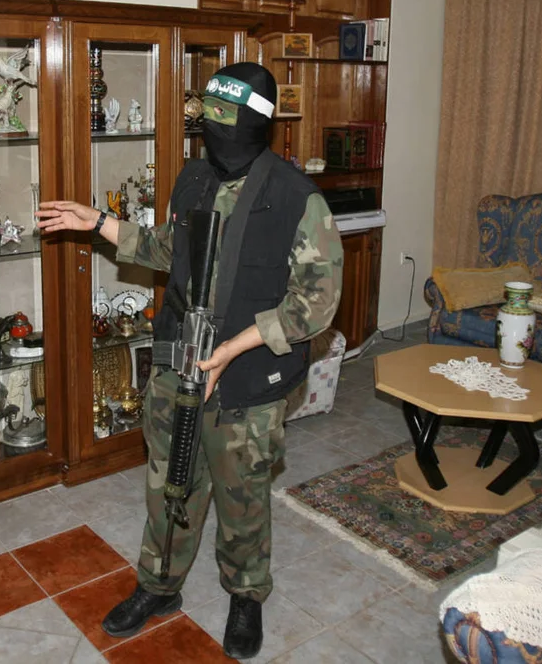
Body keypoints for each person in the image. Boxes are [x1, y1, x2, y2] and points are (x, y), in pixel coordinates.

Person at [36, 62, 343, 659]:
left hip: (246, 375)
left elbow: (317, 302)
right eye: (210, 118)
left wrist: (233, 347)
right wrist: (99, 222)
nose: (216, 132)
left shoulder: (295, 198)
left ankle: (246, 594)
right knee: (168, 482)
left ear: (258, 122)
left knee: (242, 493)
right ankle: (158, 585)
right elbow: (170, 250)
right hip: (177, 361)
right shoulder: (195, 177)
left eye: (228, 120)